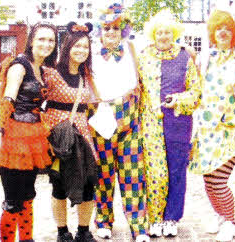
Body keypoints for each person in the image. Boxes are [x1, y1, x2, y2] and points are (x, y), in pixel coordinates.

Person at [190, 5, 235, 241]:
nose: (224, 32)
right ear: (213, 32)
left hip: (230, 129)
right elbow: (196, 88)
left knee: (219, 180)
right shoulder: (206, 58)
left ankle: (231, 222)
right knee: (208, 178)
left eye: (229, 29)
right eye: (219, 29)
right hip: (206, 129)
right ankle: (220, 214)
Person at [89, 3, 150, 242]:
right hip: (100, 118)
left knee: (133, 175)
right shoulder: (90, 53)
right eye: (106, 28)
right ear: (100, 31)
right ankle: (103, 222)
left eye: (115, 28)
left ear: (123, 30)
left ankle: (139, 227)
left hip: (129, 119)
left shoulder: (134, 49)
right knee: (103, 175)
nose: (111, 32)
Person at [0, 22, 58, 242]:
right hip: (13, 139)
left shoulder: (40, 68)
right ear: (31, 40)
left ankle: (27, 239)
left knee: (29, 195)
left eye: (50, 40)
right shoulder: (19, 65)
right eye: (41, 39)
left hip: (33, 138)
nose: (46, 44)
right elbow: (7, 98)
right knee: (13, 200)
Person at [138, 9, 200, 238]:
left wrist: (180, 99)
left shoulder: (185, 56)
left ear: (174, 33)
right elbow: (138, 90)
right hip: (151, 122)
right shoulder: (143, 57)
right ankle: (154, 217)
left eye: (167, 32)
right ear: (153, 34)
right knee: (155, 172)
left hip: (179, 122)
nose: (163, 36)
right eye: (159, 32)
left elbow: (196, 90)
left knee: (176, 170)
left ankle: (171, 217)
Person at [42, 22, 98, 242]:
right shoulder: (51, 74)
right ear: (67, 47)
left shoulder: (87, 76)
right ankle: (62, 231)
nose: (81, 50)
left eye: (85, 47)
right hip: (60, 139)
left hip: (83, 138)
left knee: (88, 184)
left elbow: (96, 101)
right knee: (59, 186)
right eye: (77, 46)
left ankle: (83, 231)